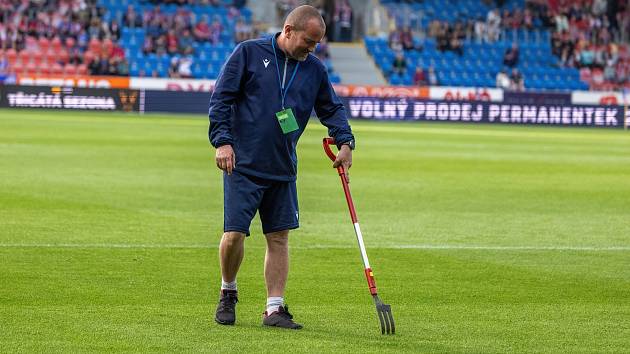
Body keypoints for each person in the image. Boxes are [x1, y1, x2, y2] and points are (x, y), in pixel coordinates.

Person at [208, 5, 355, 330]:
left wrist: (345, 142)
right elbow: (221, 99)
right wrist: (222, 141)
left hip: (282, 166)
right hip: (242, 164)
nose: (312, 49)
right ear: (288, 30)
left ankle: (274, 309)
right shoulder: (248, 53)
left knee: (279, 238)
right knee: (234, 235)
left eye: (316, 44)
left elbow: (331, 108)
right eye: (308, 41)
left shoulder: (314, 69)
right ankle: (228, 291)